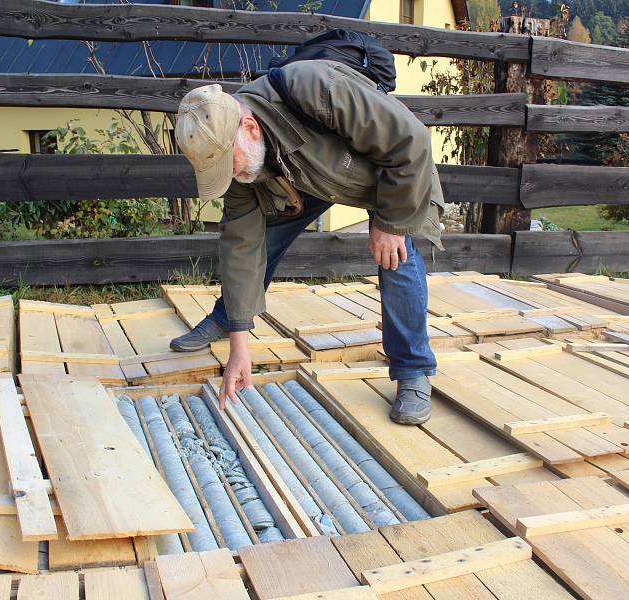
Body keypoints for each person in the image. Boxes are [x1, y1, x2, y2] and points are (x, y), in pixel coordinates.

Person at [170, 59, 444, 425]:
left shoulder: (317, 89)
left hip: (391, 171)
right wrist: (240, 345)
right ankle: (229, 318)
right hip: (309, 176)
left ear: (249, 127)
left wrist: (391, 223)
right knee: (261, 237)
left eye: (228, 165)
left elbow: (410, 142)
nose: (231, 175)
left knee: (396, 252)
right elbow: (241, 245)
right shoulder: (237, 153)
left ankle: (412, 368)